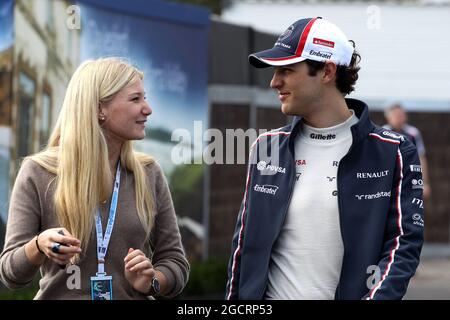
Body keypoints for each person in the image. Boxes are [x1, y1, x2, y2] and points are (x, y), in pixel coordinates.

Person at [225, 17, 424, 300]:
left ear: (327, 72)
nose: (274, 82)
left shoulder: (394, 151)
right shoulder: (266, 147)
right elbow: (242, 248)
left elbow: (402, 247)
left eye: (287, 70)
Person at [0, 58, 189, 299]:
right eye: (135, 99)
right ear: (100, 109)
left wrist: (152, 281)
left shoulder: (149, 173)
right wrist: (38, 245)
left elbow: (175, 263)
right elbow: (10, 274)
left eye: (145, 97)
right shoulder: (38, 173)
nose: (147, 108)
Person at [383, 103, 431, 200]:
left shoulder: (413, 133)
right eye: (396, 115)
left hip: (409, 177)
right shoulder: (383, 132)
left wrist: (424, 182)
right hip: (389, 178)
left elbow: (421, 157)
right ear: (388, 117)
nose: (399, 118)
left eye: (401, 115)